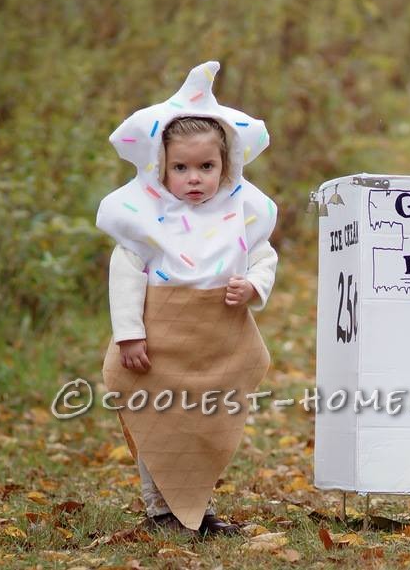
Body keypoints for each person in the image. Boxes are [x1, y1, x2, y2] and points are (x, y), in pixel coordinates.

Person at [96, 61, 278, 536]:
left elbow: (263, 257)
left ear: (227, 165)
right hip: (159, 339)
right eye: (180, 167)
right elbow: (126, 275)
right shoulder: (145, 217)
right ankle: (161, 509)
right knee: (157, 418)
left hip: (216, 339)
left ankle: (198, 506)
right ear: (161, 167)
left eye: (206, 167)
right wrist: (129, 334)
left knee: (204, 422)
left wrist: (254, 285)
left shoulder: (242, 211)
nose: (194, 178)